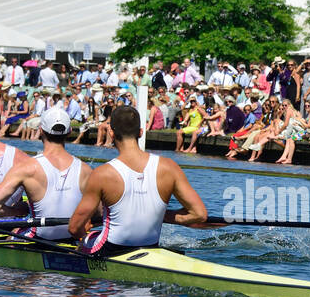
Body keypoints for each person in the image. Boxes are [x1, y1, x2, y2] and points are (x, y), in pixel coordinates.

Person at [68, 105, 207, 251]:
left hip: (109, 250)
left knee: (88, 236)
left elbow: (74, 227)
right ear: (141, 132)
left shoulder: (102, 174)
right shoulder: (170, 167)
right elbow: (199, 214)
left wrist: (83, 239)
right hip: (150, 248)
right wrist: (164, 216)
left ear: (111, 132)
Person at [0, 106, 91, 239]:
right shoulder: (86, 170)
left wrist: (18, 211)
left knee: (13, 234)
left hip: (39, 240)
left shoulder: (26, 168)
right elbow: (98, 212)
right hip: (73, 237)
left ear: (41, 131)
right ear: (69, 132)